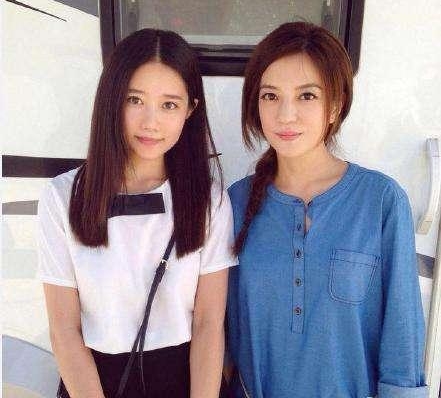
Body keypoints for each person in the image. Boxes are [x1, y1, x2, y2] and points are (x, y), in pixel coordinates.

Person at [227, 22, 428, 398]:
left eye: (306, 96)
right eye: (270, 96)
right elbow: (219, 336)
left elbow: (403, 337)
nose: (286, 115)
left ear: (335, 105)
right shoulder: (235, 203)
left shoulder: (381, 201)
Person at [37, 28, 236, 398]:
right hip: (94, 382)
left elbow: (209, 324)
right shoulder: (63, 196)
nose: (150, 122)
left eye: (169, 105)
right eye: (135, 100)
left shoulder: (209, 199)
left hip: (185, 379)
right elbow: (64, 331)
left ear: (190, 109)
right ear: (112, 100)